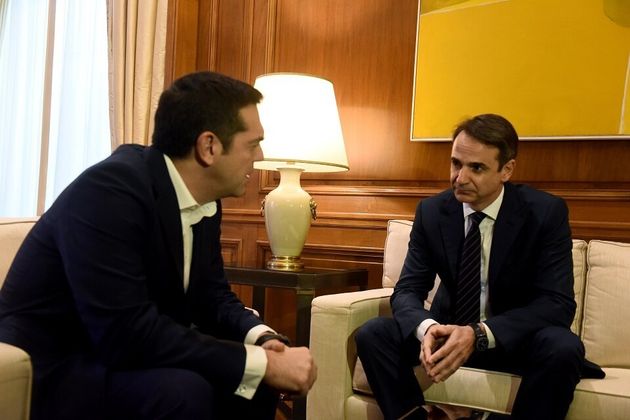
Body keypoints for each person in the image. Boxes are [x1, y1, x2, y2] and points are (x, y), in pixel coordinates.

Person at [0, 71, 317, 419]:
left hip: (118, 351)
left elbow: (212, 296)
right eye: (252, 144)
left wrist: (262, 340)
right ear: (209, 147)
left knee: (253, 386)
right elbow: (124, 331)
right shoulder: (110, 190)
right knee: (184, 391)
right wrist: (260, 363)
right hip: (50, 365)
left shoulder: (205, 198)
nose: (259, 156)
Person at [355, 114, 603, 420]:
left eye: (476, 168)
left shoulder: (544, 213)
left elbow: (557, 304)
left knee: (563, 347)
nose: (460, 178)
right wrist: (428, 328)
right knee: (373, 333)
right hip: (447, 336)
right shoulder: (432, 212)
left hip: (511, 340)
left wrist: (479, 334)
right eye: (456, 163)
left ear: (506, 170)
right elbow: (407, 290)